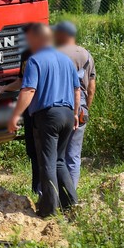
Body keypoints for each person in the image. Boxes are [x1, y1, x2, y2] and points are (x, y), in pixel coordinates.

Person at [7, 23, 80, 218]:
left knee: (47, 163)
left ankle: (49, 209)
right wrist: (74, 113)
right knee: (59, 161)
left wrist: (15, 115)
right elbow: (77, 89)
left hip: (48, 116)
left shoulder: (35, 60)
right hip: (66, 113)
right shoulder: (66, 60)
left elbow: (28, 90)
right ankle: (71, 203)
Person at [0, 24, 39, 196]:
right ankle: (37, 189)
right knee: (33, 150)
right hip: (30, 110)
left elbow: (29, 88)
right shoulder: (26, 55)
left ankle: (47, 193)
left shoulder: (47, 54)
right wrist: (4, 89)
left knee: (44, 153)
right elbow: (22, 81)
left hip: (42, 109)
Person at [53, 20, 96, 188]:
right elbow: (91, 87)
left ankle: (55, 193)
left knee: (55, 154)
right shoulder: (86, 55)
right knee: (74, 155)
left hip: (58, 105)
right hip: (81, 106)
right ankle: (72, 195)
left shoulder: (54, 54)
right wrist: (85, 108)